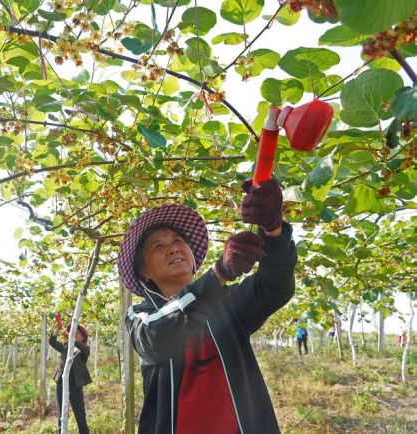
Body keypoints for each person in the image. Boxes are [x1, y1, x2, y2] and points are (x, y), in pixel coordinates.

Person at [119, 178, 297, 434]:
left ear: (192, 257)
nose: (173, 249)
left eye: (179, 241)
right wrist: (219, 274)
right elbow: (153, 340)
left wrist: (273, 230)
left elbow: (275, 286)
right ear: (145, 271)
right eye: (158, 246)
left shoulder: (228, 302)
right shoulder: (140, 315)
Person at [49, 321, 92, 434]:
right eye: (73, 332)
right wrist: (56, 330)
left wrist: (72, 339)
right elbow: (52, 342)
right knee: (61, 415)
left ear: (83, 337)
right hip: (61, 384)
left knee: (80, 416)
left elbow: (85, 350)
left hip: (75, 385)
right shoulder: (65, 346)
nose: (74, 334)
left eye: (77, 333)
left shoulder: (84, 349)